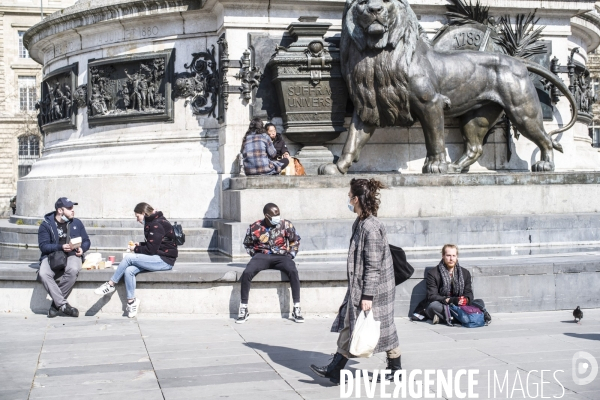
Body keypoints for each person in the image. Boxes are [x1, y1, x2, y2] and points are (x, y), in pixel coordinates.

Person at [311, 178, 401, 384]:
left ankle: (337, 369)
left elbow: (373, 264)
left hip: (374, 288)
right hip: (361, 285)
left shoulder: (371, 227)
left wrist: (367, 295)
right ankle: (339, 369)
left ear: (357, 199)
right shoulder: (361, 222)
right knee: (362, 325)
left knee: (375, 327)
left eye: (350, 196)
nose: (348, 199)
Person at [94, 203, 178, 318]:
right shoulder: (154, 221)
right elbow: (157, 243)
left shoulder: (156, 224)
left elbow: (151, 250)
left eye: (137, 216)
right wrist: (141, 244)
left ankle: (110, 284)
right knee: (129, 270)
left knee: (129, 258)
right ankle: (131, 302)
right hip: (159, 257)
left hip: (164, 260)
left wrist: (136, 248)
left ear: (144, 213)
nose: (137, 220)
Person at [238, 202, 302, 324]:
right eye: (275, 215)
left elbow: (295, 241)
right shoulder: (255, 227)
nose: (278, 216)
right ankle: (243, 308)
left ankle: (297, 308)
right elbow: (247, 244)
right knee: (247, 272)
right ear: (267, 216)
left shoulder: (285, 224)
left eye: (278, 213)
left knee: (293, 270)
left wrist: (290, 255)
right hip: (262, 256)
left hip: (281, 256)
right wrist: (255, 255)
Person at [37, 197, 91, 318]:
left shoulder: (76, 222)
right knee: (44, 274)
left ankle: (55, 306)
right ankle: (63, 305)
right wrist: (60, 247)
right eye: (70, 208)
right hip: (52, 255)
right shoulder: (46, 225)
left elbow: (87, 241)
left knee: (73, 270)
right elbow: (43, 247)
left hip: (73, 254)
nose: (73, 210)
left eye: (73, 208)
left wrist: (82, 249)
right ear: (60, 210)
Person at [425, 244, 474, 324]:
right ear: (443, 256)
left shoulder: (465, 273)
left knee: (479, 303)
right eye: (448, 255)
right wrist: (451, 300)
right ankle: (460, 317)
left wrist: (465, 300)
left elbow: (469, 293)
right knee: (432, 306)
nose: (451, 259)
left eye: (453, 255)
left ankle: (444, 317)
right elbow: (431, 296)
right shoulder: (433, 273)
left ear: (457, 256)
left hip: (459, 304)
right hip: (442, 303)